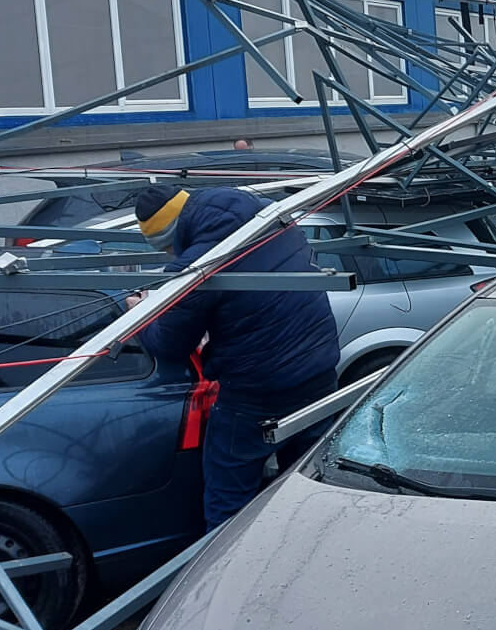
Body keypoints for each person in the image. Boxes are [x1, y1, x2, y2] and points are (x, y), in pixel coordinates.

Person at [129, 184, 341, 528]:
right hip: (320, 373)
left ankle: (227, 559)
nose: (171, 255)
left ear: (170, 236)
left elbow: (168, 345)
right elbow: (254, 301)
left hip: (257, 394)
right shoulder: (264, 212)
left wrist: (141, 315)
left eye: (167, 248)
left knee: (227, 503)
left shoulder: (198, 264)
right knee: (308, 489)